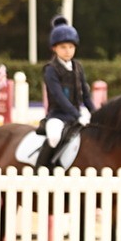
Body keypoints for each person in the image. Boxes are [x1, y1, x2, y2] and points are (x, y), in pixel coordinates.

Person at [36, 17, 94, 170]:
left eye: (71, 47)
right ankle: (41, 169)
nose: (68, 51)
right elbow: (59, 97)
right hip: (58, 115)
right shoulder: (50, 69)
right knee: (54, 137)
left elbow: (86, 94)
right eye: (63, 47)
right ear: (54, 48)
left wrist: (95, 113)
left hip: (78, 112)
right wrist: (77, 115)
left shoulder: (78, 67)